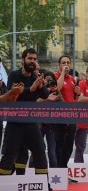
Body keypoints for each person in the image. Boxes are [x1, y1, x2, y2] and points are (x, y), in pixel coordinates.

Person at [0, 49, 52, 190]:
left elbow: (45, 94)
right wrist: (32, 88)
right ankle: (2, 184)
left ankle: (44, 185)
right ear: (23, 60)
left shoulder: (36, 75)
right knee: (9, 155)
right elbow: (14, 96)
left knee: (40, 152)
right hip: (15, 122)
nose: (33, 61)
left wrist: (39, 83)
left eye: (35, 59)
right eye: (30, 58)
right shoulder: (14, 75)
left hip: (31, 122)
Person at [54, 55, 81, 169]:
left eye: (68, 63)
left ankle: (63, 168)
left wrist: (78, 93)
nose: (66, 65)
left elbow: (75, 99)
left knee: (69, 145)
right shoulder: (55, 76)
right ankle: (59, 170)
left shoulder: (72, 79)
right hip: (60, 116)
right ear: (59, 65)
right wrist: (62, 74)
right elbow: (57, 88)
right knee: (60, 145)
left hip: (71, 116)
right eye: (63, 63)